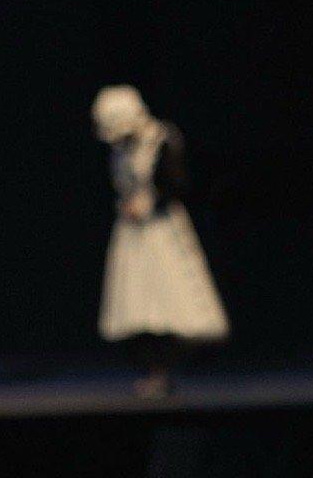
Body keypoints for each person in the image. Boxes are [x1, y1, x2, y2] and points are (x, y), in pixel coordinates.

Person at [91, 85, 229, 398]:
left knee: (169, 298)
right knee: (137, 302)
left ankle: (167, 369)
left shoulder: (160, 139)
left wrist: (150, 201)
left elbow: (177, 182)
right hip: (132, 233)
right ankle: (150, 370)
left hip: (161, 229)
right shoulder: (121, 149)